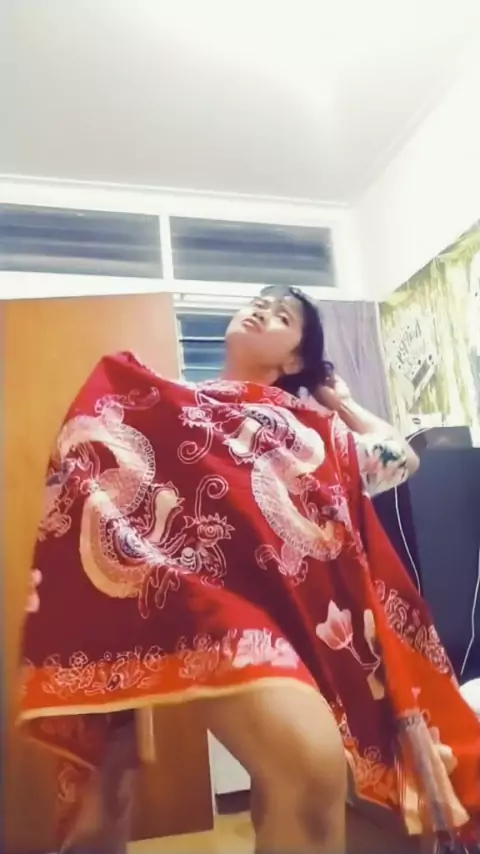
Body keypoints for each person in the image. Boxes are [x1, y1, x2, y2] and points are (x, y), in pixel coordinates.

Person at [18, 286, 480, 854]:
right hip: (194, 598)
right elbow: (95, 444)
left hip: (297, 622)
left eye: (282, 315)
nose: (262, 310)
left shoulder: (314, 431)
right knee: (117, 791)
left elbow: (398, 457)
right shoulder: (174, 403)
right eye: (259, 303)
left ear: (295, 358)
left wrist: (338, 400)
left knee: (297, 780)